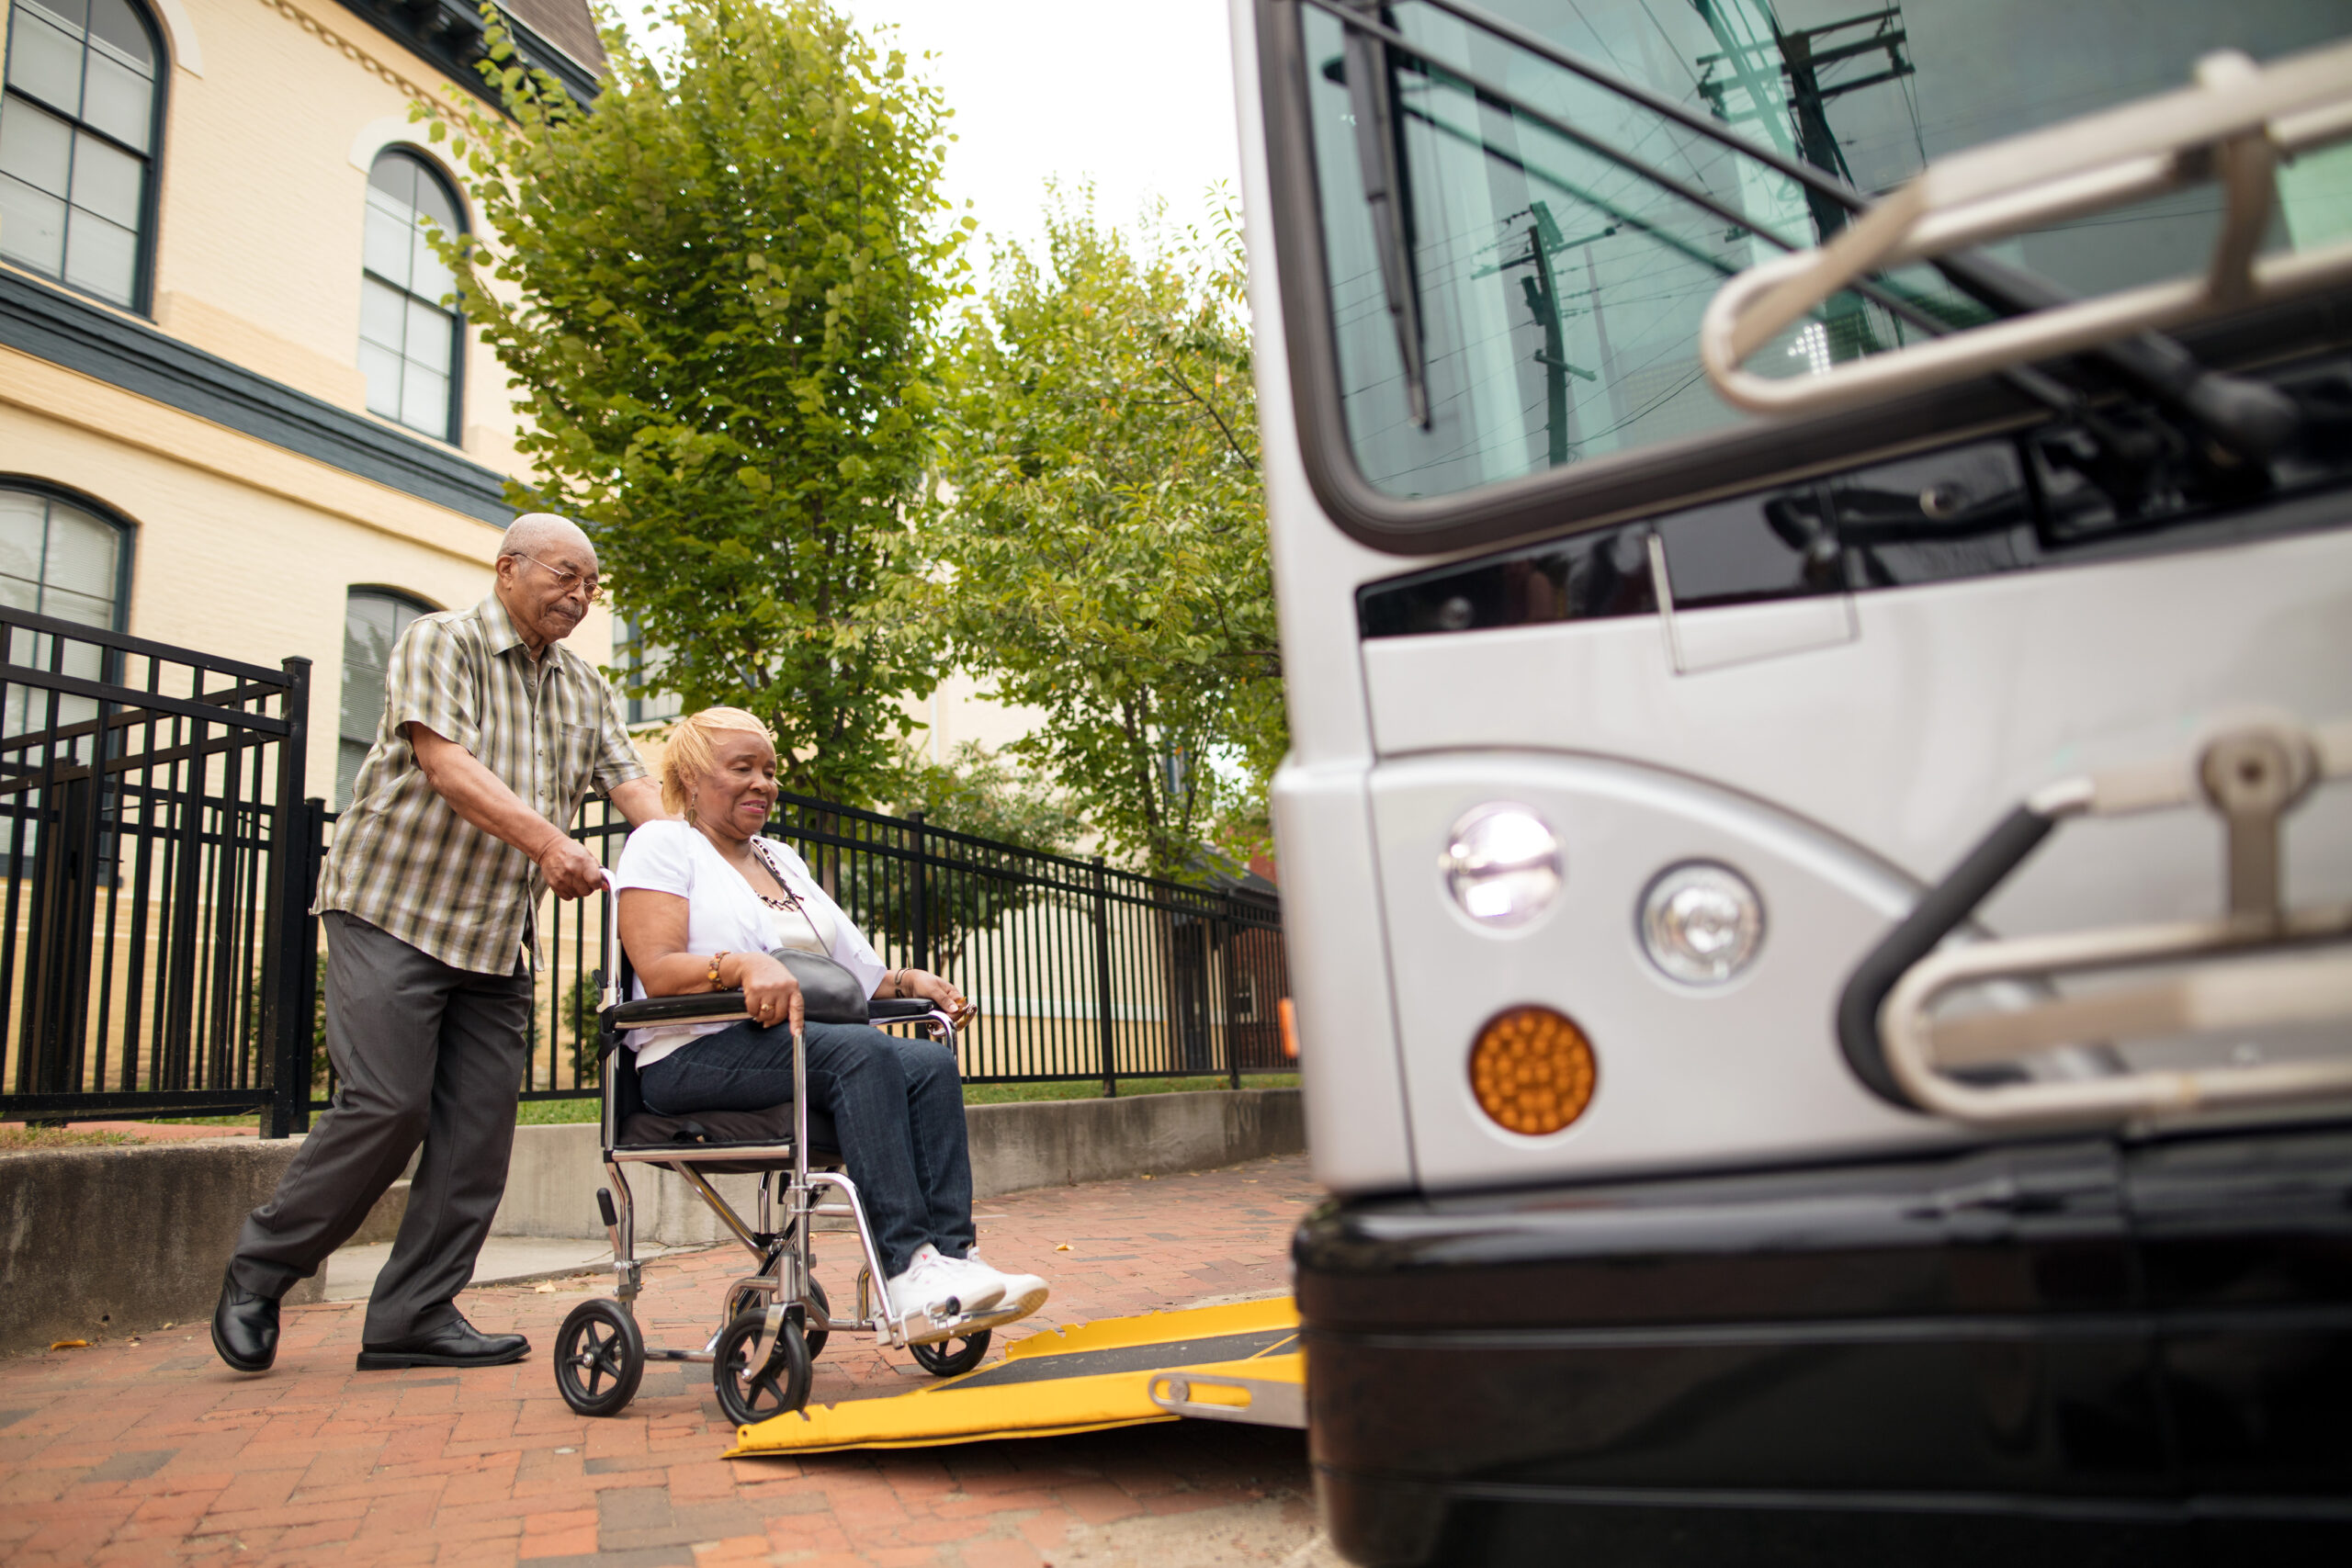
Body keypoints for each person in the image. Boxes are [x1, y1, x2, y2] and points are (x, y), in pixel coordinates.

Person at [213, 514, 667, 1373]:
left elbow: (632, 785)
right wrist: (548, 843)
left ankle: (412, 1315)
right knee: (388, 1103)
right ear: (507, 569)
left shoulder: (587, 686)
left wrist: (695, 864)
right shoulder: (443, 641)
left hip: (495, 934)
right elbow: (445, 762)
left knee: (479, 1130)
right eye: (564, 576)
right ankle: (260, 1269)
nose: (580, 596)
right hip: (394, 906)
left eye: (591, 586)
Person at [612, 706, 1049, 1340]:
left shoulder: (782, 860)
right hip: (690, 1052)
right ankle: (907, 1269)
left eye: (769, 771)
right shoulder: (663, 842)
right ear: (690, 775)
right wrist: (739, 966)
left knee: (928, 1061)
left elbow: (853, 973)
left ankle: (953, 1258)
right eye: (743, 768)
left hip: (790, 1047)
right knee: (860, 1053)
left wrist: (909, 982)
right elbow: (656, 969)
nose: (763, 783)